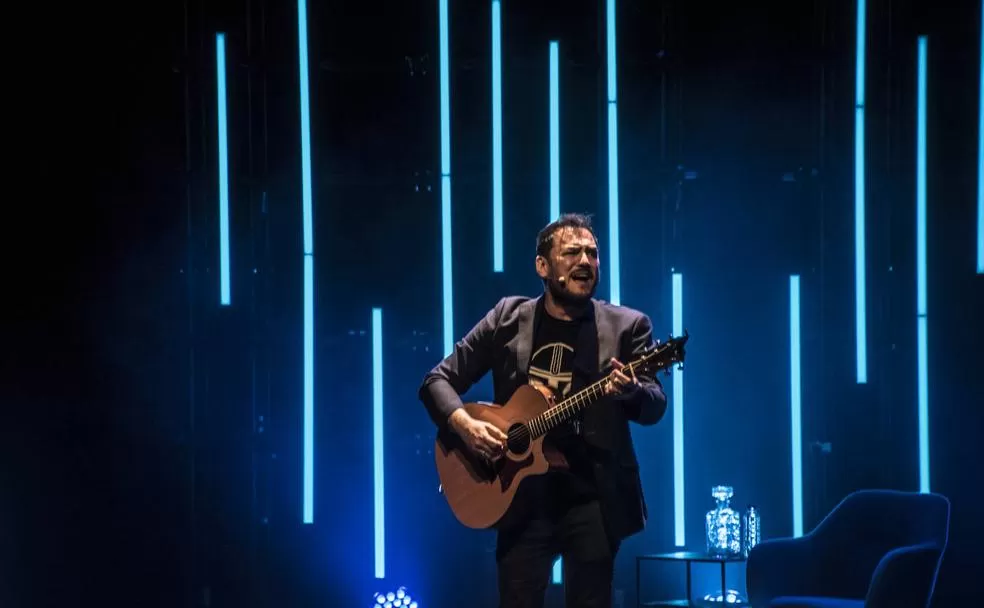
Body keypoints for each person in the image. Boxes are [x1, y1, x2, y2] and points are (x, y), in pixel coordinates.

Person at [419, 213, 668, 608]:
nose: (585, 261)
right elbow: (437, 381)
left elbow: (654, 407)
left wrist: (632, 391)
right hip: (518, 496)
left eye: (593, 253)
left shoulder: (628, 326)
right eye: (572, 252)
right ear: (543, 266)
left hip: (593, 497)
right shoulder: (507, 318)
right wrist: (466, 426)